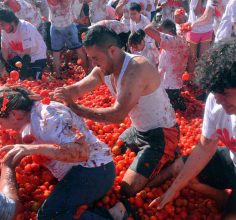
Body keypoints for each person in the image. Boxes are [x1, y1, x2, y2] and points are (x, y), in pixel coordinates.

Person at [54, 25, 179, 219]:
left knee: (128, 189)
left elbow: (117, 115)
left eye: (96, 58)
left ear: (112, 50)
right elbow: (76, 90)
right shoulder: (103, 69)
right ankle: (156, 160)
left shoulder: (136, 68)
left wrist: (77, 109)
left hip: (161, 133)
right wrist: (52, 98)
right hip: (137, 130)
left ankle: (174, 165)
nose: (93, 63)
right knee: (110, 154)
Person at [0, 86, 115, 220]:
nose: (1, 127)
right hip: (76, 171)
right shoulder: (28, 118)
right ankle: (106, 210)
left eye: (0, 123)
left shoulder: (50, 118)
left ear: (14, 114)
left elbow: (82, 152)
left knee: (49, 217)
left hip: (96, 170)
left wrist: (33, 149)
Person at [149, 39, 236, 220]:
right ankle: (221, 196)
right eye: (215, 93)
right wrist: (173, 190)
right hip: (230, 159)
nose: (219, 100)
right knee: (180, 170)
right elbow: (205, 147)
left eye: (225, 94)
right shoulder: (216, 101)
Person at [145, 19, 189, 111]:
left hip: (168, 84)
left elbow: (147, 29)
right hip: (175, 83)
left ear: (168, 32)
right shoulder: (181, 38)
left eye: (161, 31)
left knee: (163, 107)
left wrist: (155, 22)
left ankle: (176, 103)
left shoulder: (171, 40)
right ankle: (177, 101)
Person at [0, 9, 47, 80]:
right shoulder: (4, 31)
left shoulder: (25, 28)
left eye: (2, 24)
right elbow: (4, 49)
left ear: (12, 22)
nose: (1, 28)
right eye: (0, 25)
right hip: (20, 57)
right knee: (0, 73)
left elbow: (27, 55)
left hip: (36, 57)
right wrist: (4, 67)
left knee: (33, 80)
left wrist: (22, 74)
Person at [47, 0, 88, 79]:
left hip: (55, 26)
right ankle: (87, 72)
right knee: (78, 49)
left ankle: (58, 76)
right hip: (68, 25)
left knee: (56, 53)